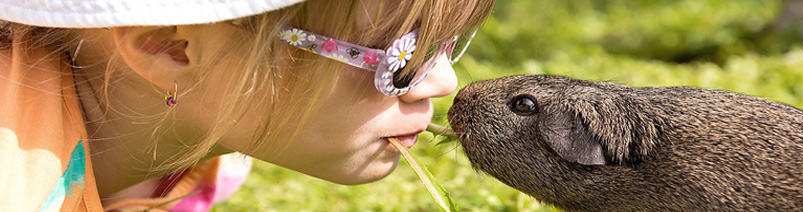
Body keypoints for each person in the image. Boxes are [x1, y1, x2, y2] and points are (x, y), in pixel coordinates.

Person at [0, 0, 494, 211]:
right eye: (401, 58)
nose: (444, 82)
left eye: (451, 42)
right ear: (172, 47)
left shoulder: (208, 145)